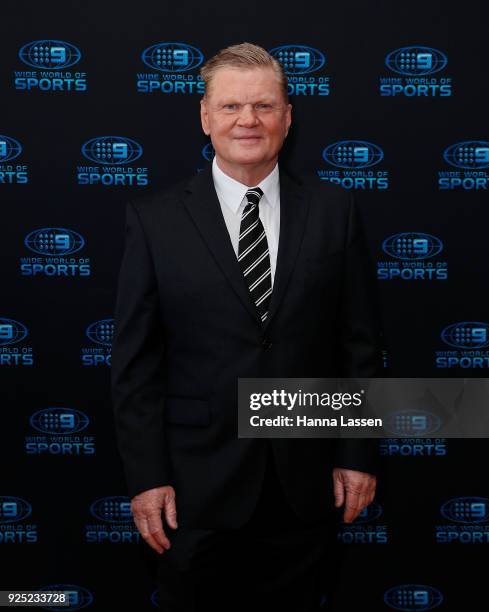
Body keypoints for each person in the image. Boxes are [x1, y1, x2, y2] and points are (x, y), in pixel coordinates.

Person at [111, 42, 382, 611]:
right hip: (192, 492)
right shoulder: (154, 219)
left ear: (288, 115)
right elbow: (136, 364)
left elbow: (358, 345)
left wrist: (356, 453)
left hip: (305, 486)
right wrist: (146, 477)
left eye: (263, 105)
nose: (248, 121)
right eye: (231, 106)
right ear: (205, 116)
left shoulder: (338, 212)